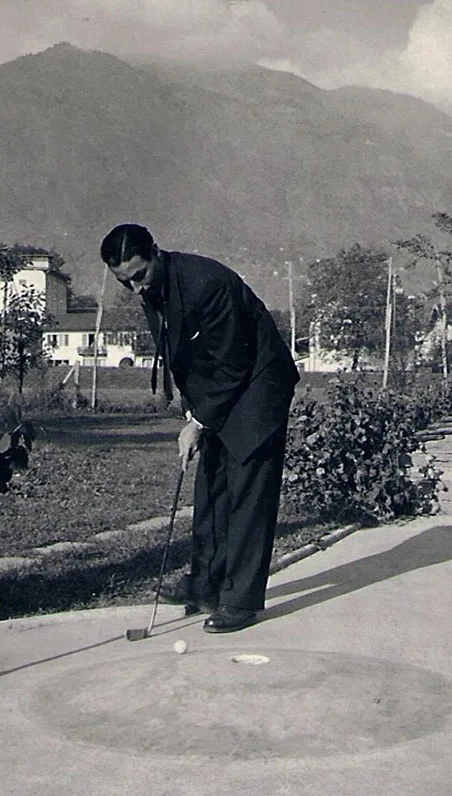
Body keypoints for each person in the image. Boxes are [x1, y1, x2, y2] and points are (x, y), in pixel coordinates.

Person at [100, 224, 299, 633]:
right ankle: (205, 583)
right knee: (211, 488)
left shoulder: (207, 283)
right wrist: (194, 412)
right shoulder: (153, 288)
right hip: (222, 390)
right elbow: (188, 355)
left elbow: (233, 362)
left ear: (156, 252)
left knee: (248, 495)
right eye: (125, 282)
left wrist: (199, 421)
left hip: (259, 385)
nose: (136, 288)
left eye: (139, 275)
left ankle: (240, 602)